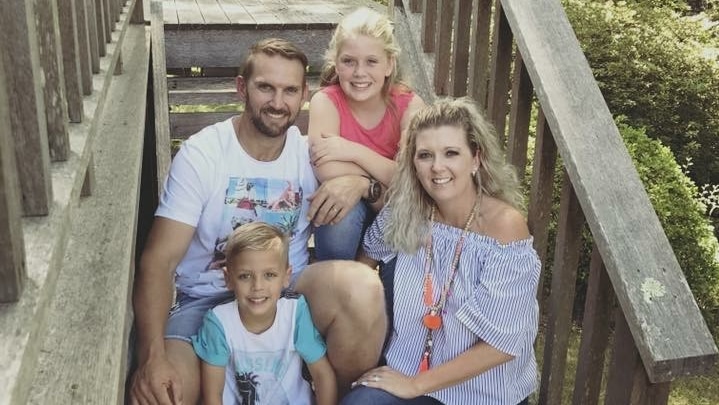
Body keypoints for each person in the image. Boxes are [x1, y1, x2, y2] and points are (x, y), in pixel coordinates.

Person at [130, 38, 386, 405]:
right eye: (265, 87)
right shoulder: (203, 153)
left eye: (289, 91)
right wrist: (151, 358)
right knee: (162, 395)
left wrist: (364, 183)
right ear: (241, 88)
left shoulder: (310, 153)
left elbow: (406, 197)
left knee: (363, 288)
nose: (278, 103)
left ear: (304, 96)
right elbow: (158, 261)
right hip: (206, 301)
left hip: (289, 295)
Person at [344, 98, 541, 405]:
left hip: (481, 392)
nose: (437, 167)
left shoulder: (504, 227)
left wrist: (416, 385)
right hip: (407, 371)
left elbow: (502, 344)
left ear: (475, 159)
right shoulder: (407, 212)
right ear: (413, 163)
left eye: (451, 153)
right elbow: (363, 261)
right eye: (425, 155)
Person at [308, 7, 425, 261]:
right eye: (349, 61)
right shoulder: (326, 101)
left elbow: (413, 176)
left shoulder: (410, 105)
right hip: (354, 205)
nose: (359, 72)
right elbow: (325, 167)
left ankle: (392, 296)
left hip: (400, 208)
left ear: (389, 64)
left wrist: (352, 153)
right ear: (336, 64)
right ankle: (336, 291)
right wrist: (373, 186)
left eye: (371, 61)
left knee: (405, 216)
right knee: (336, 203)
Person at [191, 222, 336, 405]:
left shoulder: (294, 312)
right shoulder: (219, 322)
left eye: (269, 275)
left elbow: (323, 375)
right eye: (245, 276)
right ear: (228, 279)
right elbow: (213, 395)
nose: (257, 287)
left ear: (286, 276)